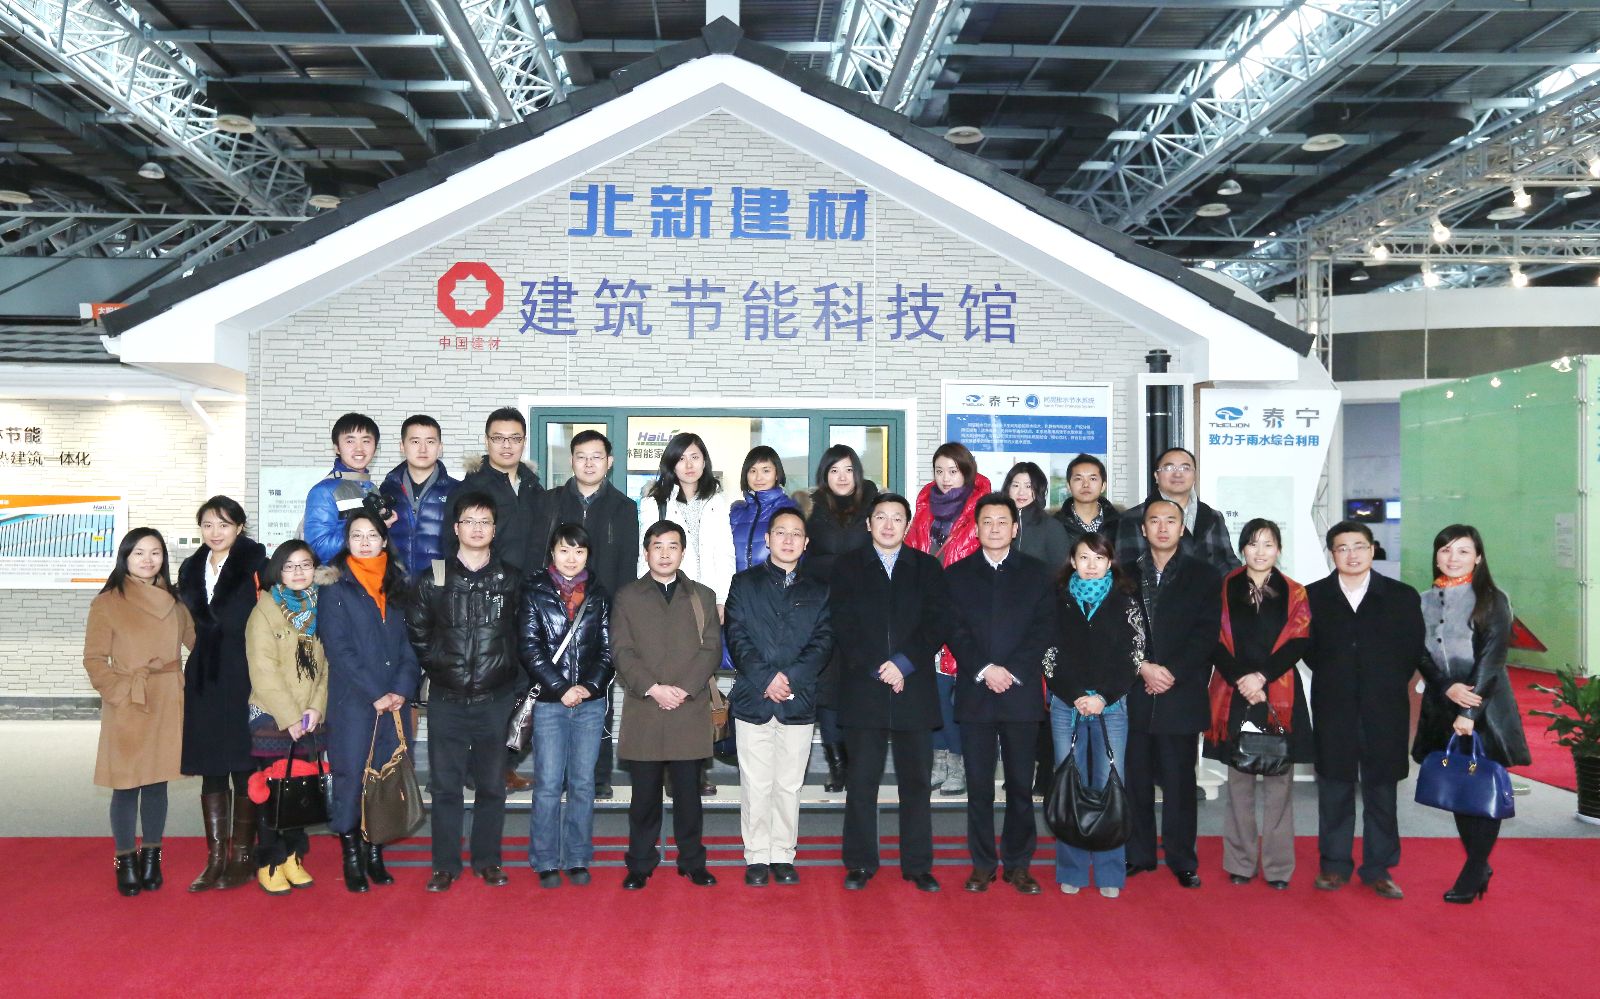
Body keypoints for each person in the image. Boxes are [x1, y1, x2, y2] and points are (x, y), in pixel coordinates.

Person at [830, 493, 952, 893]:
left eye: (897, 518)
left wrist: (903, 664)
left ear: (907, 525)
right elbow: (842, 624)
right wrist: (879, 667)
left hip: (913, 686)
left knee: (915, 783)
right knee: (861, 781)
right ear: (868, 524)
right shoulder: (847, 567)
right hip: (863, 686)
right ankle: (860, 862)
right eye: (880, 517)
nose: (888, 525)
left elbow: (937, 622)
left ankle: (917, 864)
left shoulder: (926, 567)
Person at [406, 491, 524, 892]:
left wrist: (512, 682)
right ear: (456, 528)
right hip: (447, 698)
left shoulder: (510, 578)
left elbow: (521, 634)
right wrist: (440, 664)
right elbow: (417, 629)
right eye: (469, 521)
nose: (477, 528)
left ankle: (488, 860)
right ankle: (445, 864)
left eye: (484, 522)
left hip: (495, 698)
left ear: (494, 529)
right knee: (445, 786)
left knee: (492, 785)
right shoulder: (435, 575)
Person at [1303, 520, 1424, 900]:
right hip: (1333, 705)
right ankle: (1334, 864)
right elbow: (1308, 650)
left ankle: (1379, 868)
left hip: (1384, 707)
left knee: (1381, 791)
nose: (1351, 554)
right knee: (1334, 787)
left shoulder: (1401, 596)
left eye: (1359, 546)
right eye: (1342, 548)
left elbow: (1411, 651)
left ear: (1373, 550)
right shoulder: (1313, 596)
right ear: (1332, 554)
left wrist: (1379, 681)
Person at [944, 494, 1057, 895]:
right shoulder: (956, 575)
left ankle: (1018, 864)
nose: (994, 528)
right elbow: (954, 630)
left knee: (1021, 786)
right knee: (978, 787)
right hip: (976, 692)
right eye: (987, 521)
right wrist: (984, 669)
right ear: (976, 529)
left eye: (1002, 522)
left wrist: (1012, 671)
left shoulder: (1038, 573)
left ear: (1015, 528)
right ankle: (982, 864)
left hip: (1020, 692)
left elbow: (1044, 629)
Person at [1413, 525, 1530, 904]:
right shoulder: (1423, 600)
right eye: (1445, 550)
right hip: (1441, 703)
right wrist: (1445, 686)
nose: (1453, 558)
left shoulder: (1493, 600)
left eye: (1463, 551)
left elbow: (1491, 660)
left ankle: (1474, 868)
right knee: (1460, 785)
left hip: (1485, 705)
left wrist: (1468, 710)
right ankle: (1478, 865)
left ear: (1478, 557)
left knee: (1483, 783)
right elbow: (1417, 652)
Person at [82, 528, 195, 896]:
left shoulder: (175, 601)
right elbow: (94, 659)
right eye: (139, 553)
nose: (148, 560)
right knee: (126, 784)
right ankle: (125, 859)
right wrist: (118, 693)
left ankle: (152, 856)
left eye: (155, 552)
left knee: (158, 782)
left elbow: (199, 644)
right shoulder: (107, 602)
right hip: (129, 698)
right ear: (125, 558)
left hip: (166, 698)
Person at [611, 521, 723, 889]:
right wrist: (653, 688)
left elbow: (711, 649)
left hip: (688, 709)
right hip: (645, 707)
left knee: (689, 795)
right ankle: (640, 862)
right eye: (657, 546)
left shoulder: (702, 596)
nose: (664, 553)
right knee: (643, 797)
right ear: (646, 552)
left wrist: (684, 689)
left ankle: (692, 861)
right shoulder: (628, 596)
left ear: (683, 553)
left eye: (672, 546)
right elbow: (621, 650)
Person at [726, 508, 833, 887]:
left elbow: (823, 642)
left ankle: (783, 853)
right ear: (768, 539)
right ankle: (757, 855)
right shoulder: (744, 583)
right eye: (781, 533)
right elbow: (736, 636)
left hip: (797, 699)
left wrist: (790, 679)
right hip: (753, 698)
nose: (788, 540)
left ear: (806, 543)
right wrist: (766, 678)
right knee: (756, 784)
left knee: (789, 784)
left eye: (796, 534)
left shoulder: (818, 590)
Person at [528, 430, 637, 800]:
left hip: (600, 614)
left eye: (597, 456)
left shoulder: (624, 507)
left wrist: (619, 615)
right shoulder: (549, 502)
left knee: (597, 690)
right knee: (552, 689)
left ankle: (597, 774)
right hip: (553, 612)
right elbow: (537, 555)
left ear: (610, 462)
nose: (589, 463)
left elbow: (627, 566)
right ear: (571, 460)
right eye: (581, 456)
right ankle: (555, 774)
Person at [1204, 519, 1312, 891]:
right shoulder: (1224, 588)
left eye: (1268, 544)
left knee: (1279, 784)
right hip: (1235, 693)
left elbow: (1298, 641)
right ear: (1242, 549)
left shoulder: (1295, 592)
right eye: (1253, 543)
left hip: (1279, 695)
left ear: (1279, 549)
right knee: (1240, 783)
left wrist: (1261, 677)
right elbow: (1212, 638)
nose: (1260, 551)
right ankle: (1240, 862)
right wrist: (1243, 679)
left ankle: (1279, 867)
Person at [319, 511, 420, 893]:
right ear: (347, 541)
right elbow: (338, 648)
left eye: (372, 535)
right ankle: (352, 857)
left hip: (394, 702)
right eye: (357, 535)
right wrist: (375, 693)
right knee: (351, 777)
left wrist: (401, 689)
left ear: (383, 540)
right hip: (354, 701)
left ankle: (375, 852)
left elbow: (412, 642)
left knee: (385, 775)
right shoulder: (335, 585)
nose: (364, 542)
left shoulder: (399, 583)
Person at [1124, 499, 1222, 889]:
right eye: (1154, 521)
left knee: (1180, 783)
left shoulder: (1204, 575)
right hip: (1135, 691)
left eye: (1171, 521)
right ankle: (1139, 854)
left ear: (1182, 529)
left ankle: (1182, 858)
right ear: (1143, 529)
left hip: (1180, 693)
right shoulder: (1124, 574)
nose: (1162, 528)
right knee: (1135, 780)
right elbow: (1117, 631)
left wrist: (1171, 673)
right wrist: (1142, 667)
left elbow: (1206, 634)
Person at [173, 496, 269, 893]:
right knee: (212, 767)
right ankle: (215, 859)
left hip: (246, 673)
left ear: (240, 527)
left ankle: (242, 856)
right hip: (205, 677)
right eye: (208, 524)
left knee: (245, 765)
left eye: (224, 524)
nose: (215, 532)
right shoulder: (190, 567)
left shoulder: (257, 565)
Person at [637, 432, 734, 797]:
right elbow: (644, 553)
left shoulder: (717, 500)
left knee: (700, 684)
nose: (689, 464)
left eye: (695, 457)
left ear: (705, 461)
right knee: (667, 680)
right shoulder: (655, 501)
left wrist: (722, 599)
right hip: (665, 599)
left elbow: (725, 553)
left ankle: (695, 767)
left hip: (704, 602)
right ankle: (665, 765)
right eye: (681, 458)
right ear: (671, 463)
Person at [1049, 532, 1144, 898]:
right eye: (1084, 558)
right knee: (1069, 785)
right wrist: (1075, 695)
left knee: (1109, 785)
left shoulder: (1125, 600)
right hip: (1066, 705)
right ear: (1073, 561)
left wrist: (1104, 696)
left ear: (1110, 562)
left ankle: (1109, 871)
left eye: (1099, 558)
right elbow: (1048, 652)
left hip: (1112, 706)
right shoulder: (1057, 599)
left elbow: (1134, 655)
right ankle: (1071, 868)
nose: (1091, 565)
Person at [522, 523, 615, 888]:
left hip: (589, 703)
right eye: (564, 550)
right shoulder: (534, 591)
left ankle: (577, 857)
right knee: (547, 783)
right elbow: (529, 647)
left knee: (582, 783)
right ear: (552, 553)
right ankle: (545, 859)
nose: (571, 558)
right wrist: (561, 688)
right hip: (550, 702)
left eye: (579, 551)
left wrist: (589, 687)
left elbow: (608, 650)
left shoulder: (599, 594)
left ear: (588, 555)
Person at [456, 406, 544, 791]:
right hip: (484, 601)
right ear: (487, 441)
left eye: (514, 438)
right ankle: (476, 768)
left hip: (529, 602)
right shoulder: (471, 488)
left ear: (524, 442)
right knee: (485, 686)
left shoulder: (534, 487)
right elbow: (448, 546)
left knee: (525, 685)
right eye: (498, 438)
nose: (507, 445)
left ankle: (503, 764)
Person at [243, 540, 330, 895]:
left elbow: (327, 666)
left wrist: (316, 708)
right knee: (272, 791)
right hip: (272, 715)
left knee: (300, 791)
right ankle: (269, 861)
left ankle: (294, 856)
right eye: (290, 566)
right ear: (278, 570)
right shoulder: (264, 610)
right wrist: (290, 716)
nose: (298, 572)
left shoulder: (323, 607)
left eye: (305, 565)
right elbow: (262, 670)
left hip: (310, 717)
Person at [906, 441, 992, 797]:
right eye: (939, 471)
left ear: (966, 472)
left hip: (968, 613)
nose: (945, 478)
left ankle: (960, 761)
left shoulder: (982, 509)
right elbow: (911, 554)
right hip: (929, 611)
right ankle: (939, 759)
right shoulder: (924, 509)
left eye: (953, 471)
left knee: (965, 699)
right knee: (935, 693)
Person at [801, 444, 878, 794]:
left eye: (848, 469)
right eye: (834, 470)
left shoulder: (874, 504)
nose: (842, 477)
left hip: (866, 613)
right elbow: (805, 560)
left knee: (860, 687)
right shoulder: (812, 508)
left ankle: (859, 761)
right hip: (824, 611)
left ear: (857, 473)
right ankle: (837, 766)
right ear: (824, 476)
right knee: (828, 691)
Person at [1115, 447, 1240, 574]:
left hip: (1211, 586)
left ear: (1194, 476)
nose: (1178, 474)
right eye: (1169, 468)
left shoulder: (1213, 516)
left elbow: (1228, 563)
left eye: (1185, 468)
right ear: (1156, 476)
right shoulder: (1133, 517)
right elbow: (1127, 570)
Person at [380, 414, 459, 579]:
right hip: (395, 584)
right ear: (402, 446)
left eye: (430, 442)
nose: (423, 449)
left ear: (440, 447)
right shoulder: (387, 488)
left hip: (440, 584)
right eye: (415, 442)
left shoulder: (457, 490)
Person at [303, 412, 389, 562]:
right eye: (350, 441)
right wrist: (368, 531)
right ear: (337, 448)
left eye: (366, 441)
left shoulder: (372, 488)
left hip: (370, 573)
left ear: (375, 447)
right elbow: (318, 548)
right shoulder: (324, 491)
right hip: (338, 575)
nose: (359, 448)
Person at [730, 446, 800, 573]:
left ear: (777, 474)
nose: (758, 478)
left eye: (766, 471)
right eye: (752, 471)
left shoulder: (790, 511)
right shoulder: (736, 513)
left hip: (777, 585)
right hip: (737, 584)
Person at [1002, 461, 1069, 572]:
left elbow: (1062, 572)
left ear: (1038, 489)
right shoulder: (999, 524)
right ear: (1008, 488)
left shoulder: (1052, 527)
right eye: (1016, 485)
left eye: (1028, 486)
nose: (1021, 492)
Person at [1054, 453, 1120, 552]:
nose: (1085, 484)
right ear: (1068, 486)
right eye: (1078, 479)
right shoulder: (1055, 526)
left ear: (1103, 486)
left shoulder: (1120, 524)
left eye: (1092, 479)